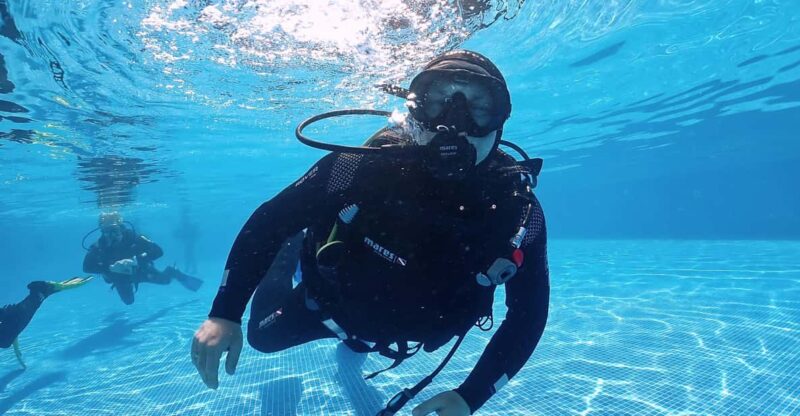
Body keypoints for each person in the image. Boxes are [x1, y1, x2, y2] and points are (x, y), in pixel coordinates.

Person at [191, 50, 550, 416]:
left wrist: (470, 396)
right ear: (415, 109)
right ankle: (288, 252)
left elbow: (529, 314)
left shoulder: (518, 214)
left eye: (479, 107)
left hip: (391, 327)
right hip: (327, 307)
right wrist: (225, 313)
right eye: (437, 102)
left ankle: (356, 342)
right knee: (261, 338)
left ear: (500, 122)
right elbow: (269, 222)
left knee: (359, 343)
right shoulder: (357, 169)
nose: (454, 124)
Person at [83, 212, 203, 305]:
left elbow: (158, 251)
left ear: (121, 228)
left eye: (115, 231)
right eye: (106, 232)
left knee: (165, 281)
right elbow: (86, 267)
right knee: (128, 301)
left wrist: (136, 260)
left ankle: (173, 272)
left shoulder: (133, 237)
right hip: (120, 277)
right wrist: (110, 268)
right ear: (102, 231)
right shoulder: (99, 246)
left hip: (141, 271)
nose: (111, 236)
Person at [1, 277, 93, 368]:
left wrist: (16, 350)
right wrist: (17, 352)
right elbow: (14, 331)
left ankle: (45, 287)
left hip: (19, 312)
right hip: (17, 315)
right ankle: (46, 287)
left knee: (39, 297)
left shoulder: (7, 334)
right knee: (44, 294)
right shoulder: (7, 333)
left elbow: (13, 329)